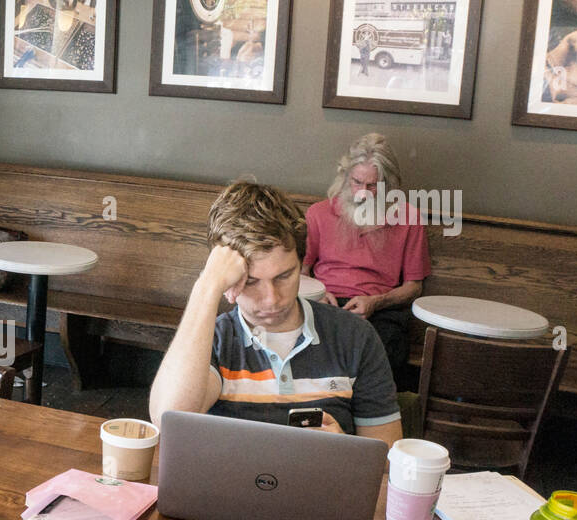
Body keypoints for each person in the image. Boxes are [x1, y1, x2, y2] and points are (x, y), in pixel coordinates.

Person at [150, 179, 403, 449]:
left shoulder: (355, 337)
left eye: (284, 276)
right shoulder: (213, 340)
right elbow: (168, 422)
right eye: (251, 282)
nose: (272, 299)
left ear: (301, 265)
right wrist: (207, 286)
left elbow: (387, 456)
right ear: (229, 282)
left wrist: (344, 449)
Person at [303, 133, 430, 377]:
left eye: (373, 185)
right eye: (357, 182)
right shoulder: (318, 213)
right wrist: (318, 294)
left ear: (389, 184)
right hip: (325, 302)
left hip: (380, 308)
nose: (364, 193)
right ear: (345, 178)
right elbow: (302, 271)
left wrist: (376, 302)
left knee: (379, 353)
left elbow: (414, 287)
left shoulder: (410, 219)